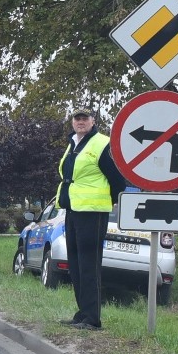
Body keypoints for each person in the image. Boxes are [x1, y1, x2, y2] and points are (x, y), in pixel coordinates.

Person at [55, 105, 125, 330]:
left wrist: (108, 202)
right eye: (77, 118)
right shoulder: (73, 144)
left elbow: (117, 180)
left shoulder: (101, 143)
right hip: (73, 210)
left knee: (89, 265)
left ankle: (93, 318)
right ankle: (82, 313)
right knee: (75, 265)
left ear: (93, 121)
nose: (81, 122)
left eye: (85, 118)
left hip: (93, 212)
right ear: (72, 122)